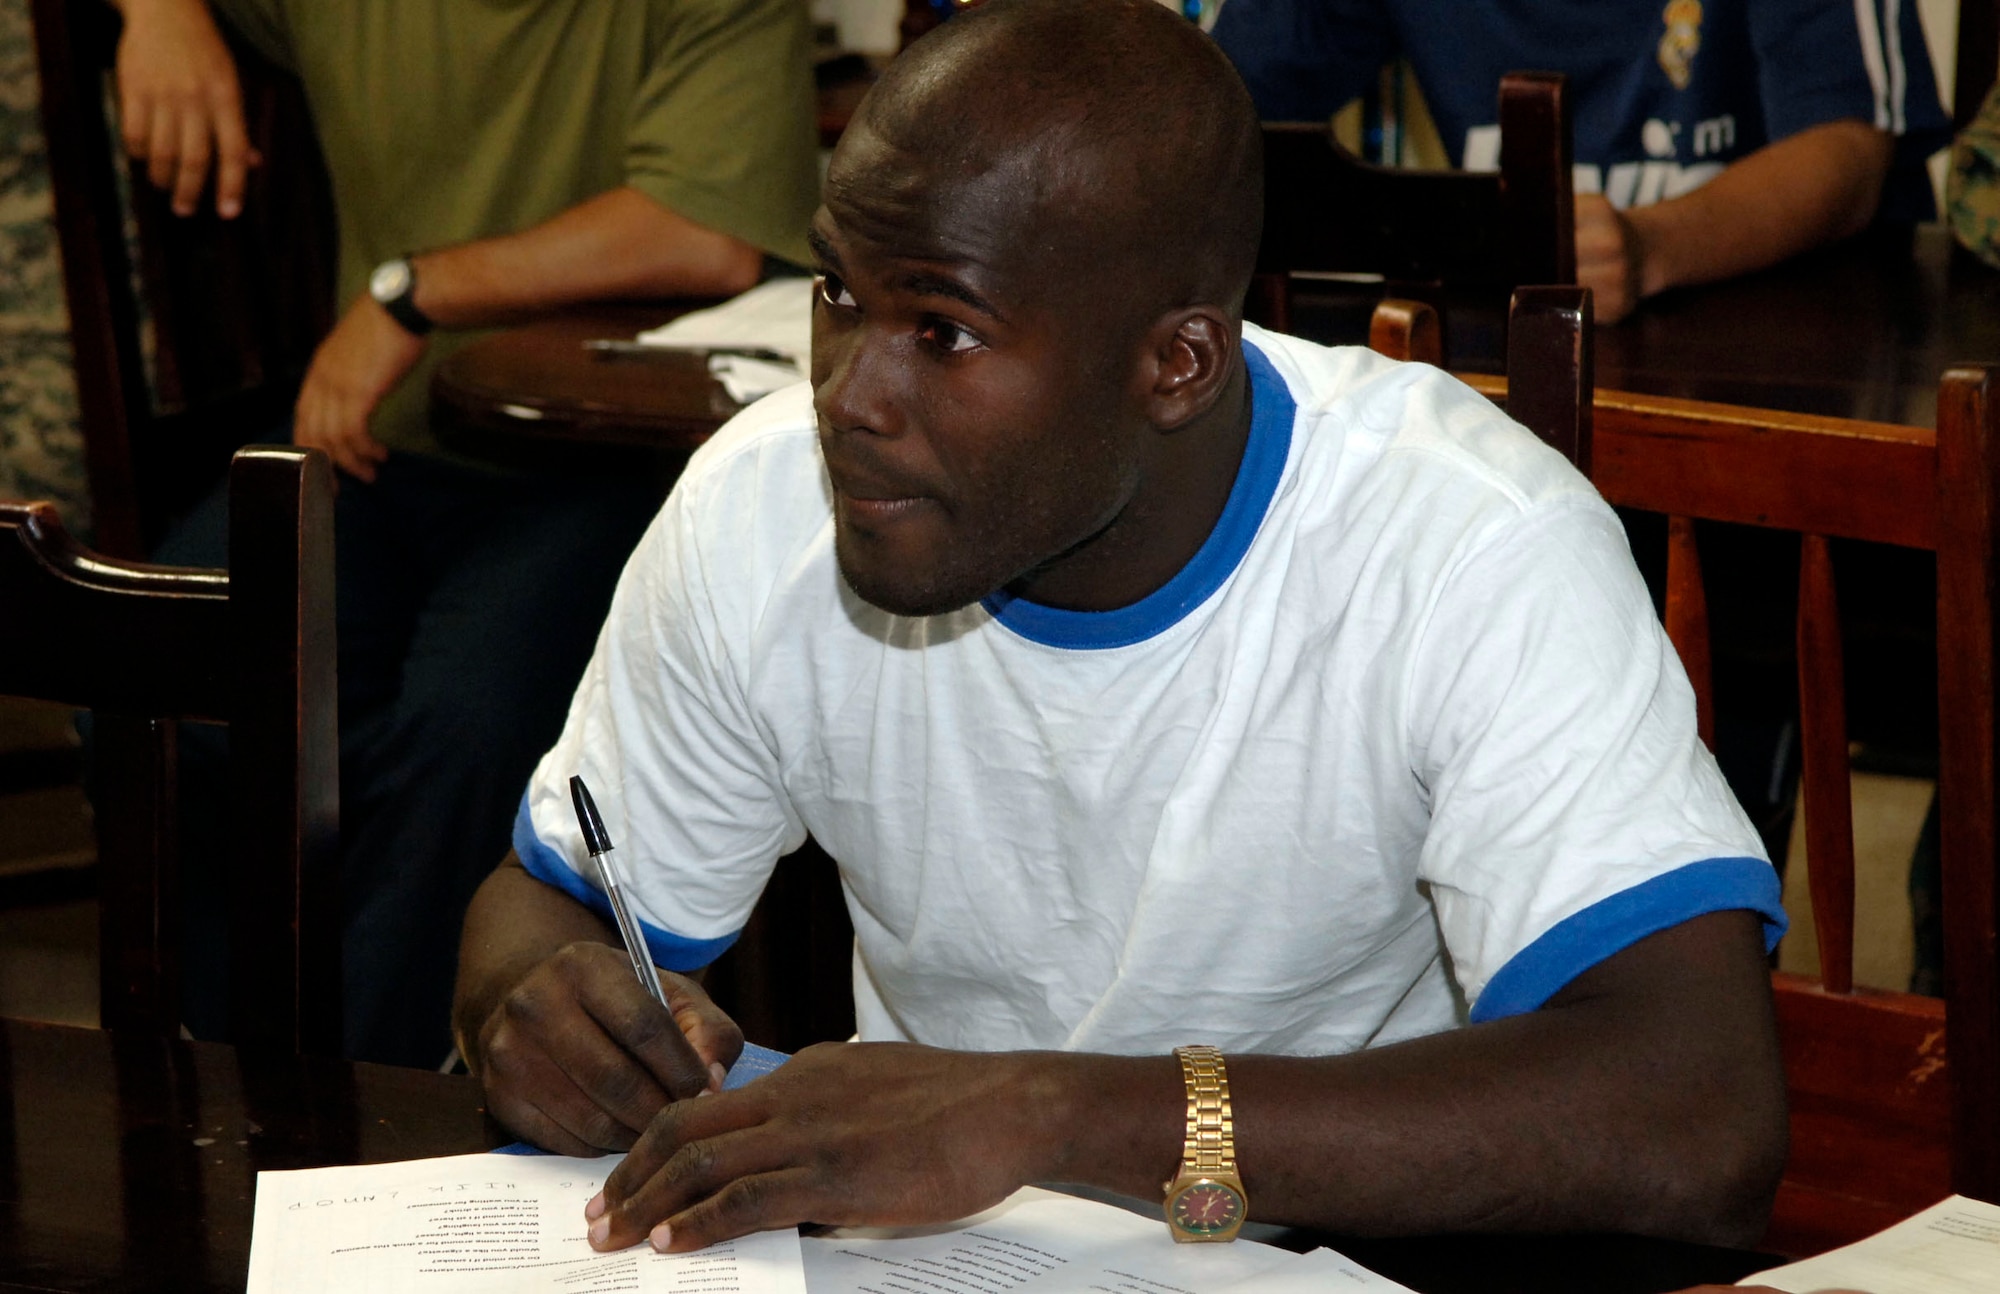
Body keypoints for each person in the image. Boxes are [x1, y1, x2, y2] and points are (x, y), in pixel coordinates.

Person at [454, 0, 1789, 1258]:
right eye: (837, 292)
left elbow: (1699, 1111)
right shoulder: (761, 509)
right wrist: (535, 1002)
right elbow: (556, 896)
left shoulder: (1464, 542)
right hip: (946, 1264)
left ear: (1178, 364)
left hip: (1359, 1258)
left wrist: (1050, 1113)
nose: (848, 394)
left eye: (944, 330)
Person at [110, 0, 821, 1066]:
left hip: (613, 463)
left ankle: (362, 1109)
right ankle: (218, 1082)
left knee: (468, 728)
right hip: (377, 444)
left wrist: (411, 292)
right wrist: (159, 14)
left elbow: (702, 230)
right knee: (165, 676)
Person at [1210, 0, 1950, 323]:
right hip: (1511, 394)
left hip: (1800, 401)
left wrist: (1652, 245)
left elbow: (1852, 154)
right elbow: (1211, 103)